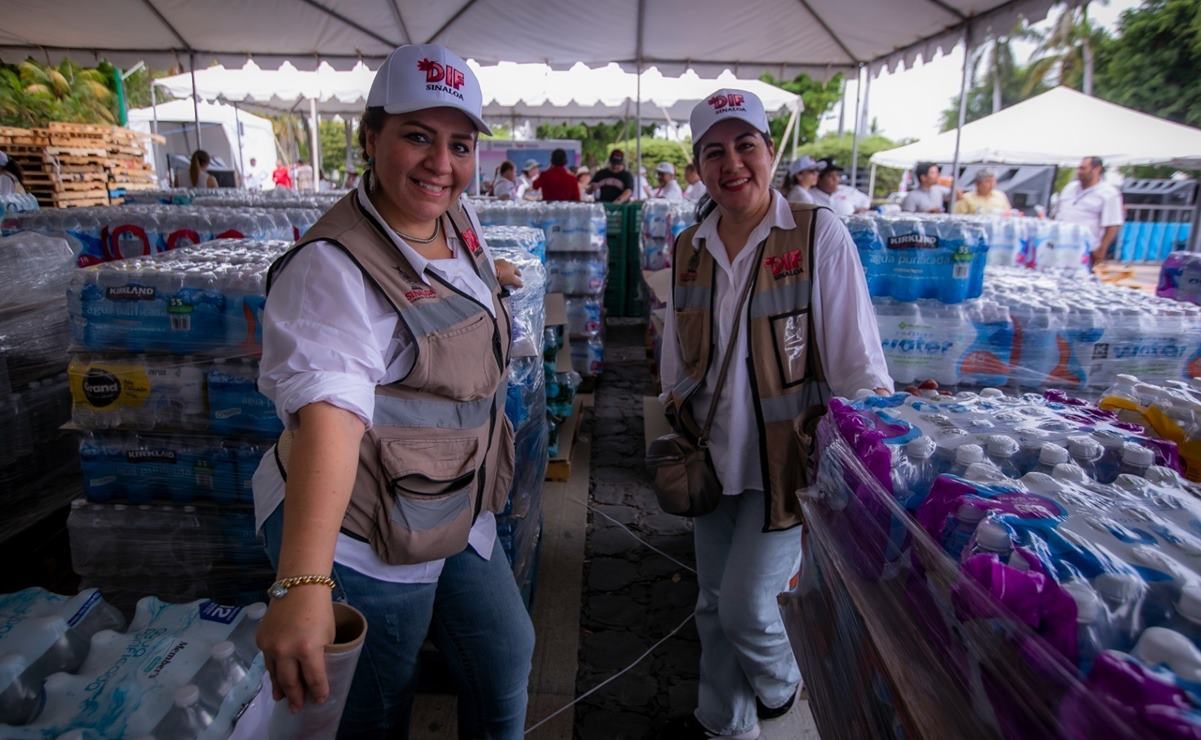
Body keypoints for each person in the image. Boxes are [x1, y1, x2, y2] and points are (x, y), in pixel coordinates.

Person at [253, 43, 534, 739]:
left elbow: (432, 284)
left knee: (505, 657)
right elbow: (331, 422)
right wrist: (303, 585)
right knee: (379, 705)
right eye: (417, 137)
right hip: (360, 537)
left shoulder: (453, 220)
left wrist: (487, 277)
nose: (441, 164)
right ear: (370, 137)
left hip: (452, 506)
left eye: (460, 145)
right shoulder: (330, 270)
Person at [659, 88, 892, 740]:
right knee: (710, 604)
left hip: (786, 466)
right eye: (713, 151)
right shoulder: (689, 248)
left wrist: (861, 471)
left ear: (769, 152)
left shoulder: (817, 234)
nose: (730, 163)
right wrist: (672, 422)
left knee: (748, 610)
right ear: (698, 166)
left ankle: (784, 691)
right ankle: (722, 724)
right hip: (711, 458)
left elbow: (859, 365)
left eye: (745, 146)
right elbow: (677, 362)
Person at [1054, 156, 1124, 265]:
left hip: (1086, 249)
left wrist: (1101, 251)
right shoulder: (1070, 188)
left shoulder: (1108, 193)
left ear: (1096, 169)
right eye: (1078, 168)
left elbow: (1112, 225)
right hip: (1060, 245)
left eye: (1083, 168)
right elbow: (1058, 212)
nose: (1079, 172)